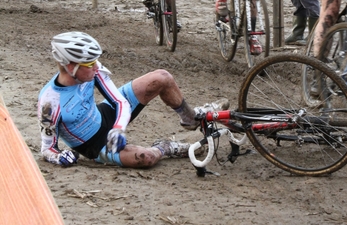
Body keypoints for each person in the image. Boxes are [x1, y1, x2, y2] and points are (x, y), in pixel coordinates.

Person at [38, 31, 229, 168]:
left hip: (103, 116)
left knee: (162, 78)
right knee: (146, 158)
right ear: (70, 66)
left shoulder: (91, 70)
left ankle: (191, 118)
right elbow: (47, 149)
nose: (96, 67)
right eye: (89, 64)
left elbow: (120, 102)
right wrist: (59, 157)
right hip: (93, 145)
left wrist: (118, 128)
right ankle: (165, 147)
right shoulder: (49, 104)